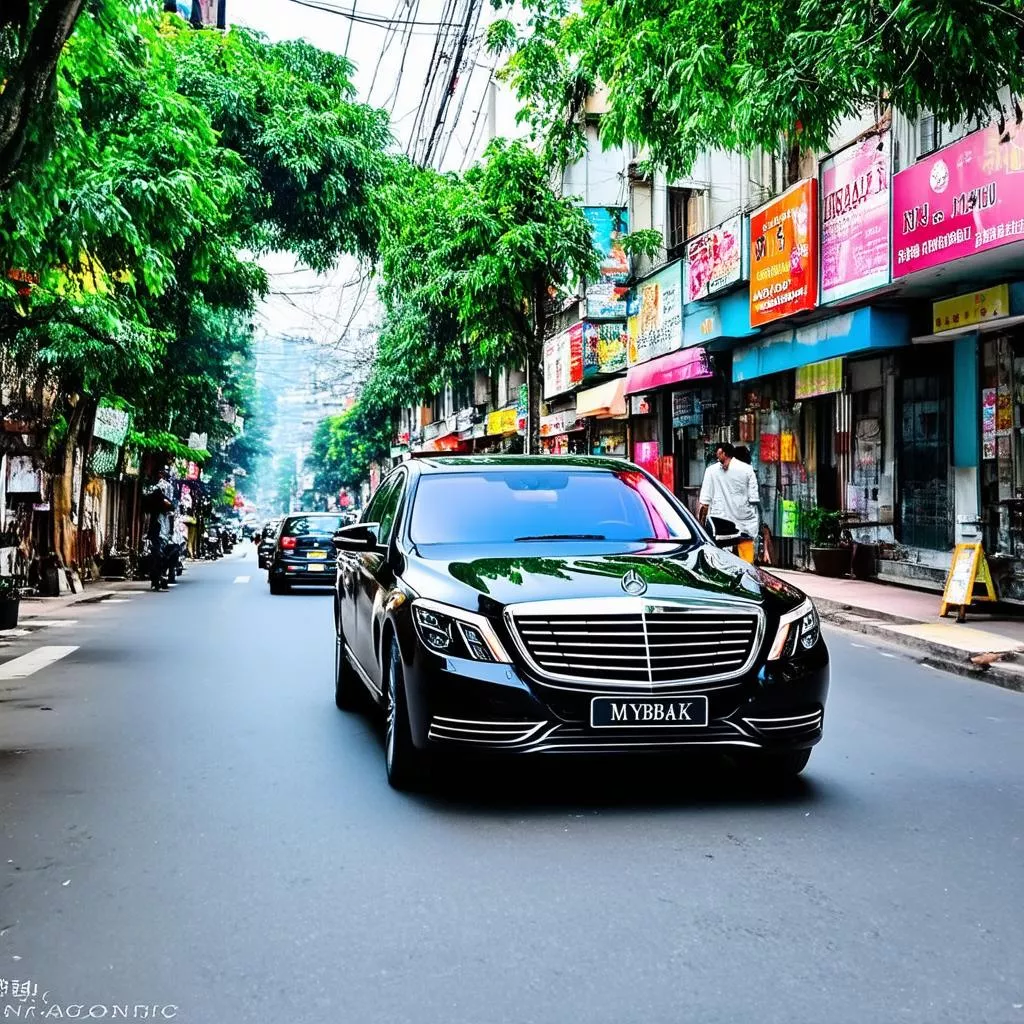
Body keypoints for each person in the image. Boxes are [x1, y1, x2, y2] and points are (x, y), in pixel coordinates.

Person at [698, 442, 760, 564]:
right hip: (745, 525)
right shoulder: (748, 470)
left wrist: (701, 528)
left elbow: (704, 504)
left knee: (722, 563)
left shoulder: (710, 471)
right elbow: (753, 499)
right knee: (747, 565)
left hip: (720, 526)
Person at [144, 466, 175, 590]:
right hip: (157, 534)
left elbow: (171, 507)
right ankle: (156, 580)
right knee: (157, 556)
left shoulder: (165, 511)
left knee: (163, 556)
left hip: (162, 534)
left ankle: (159, 578)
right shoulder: (154, 494)